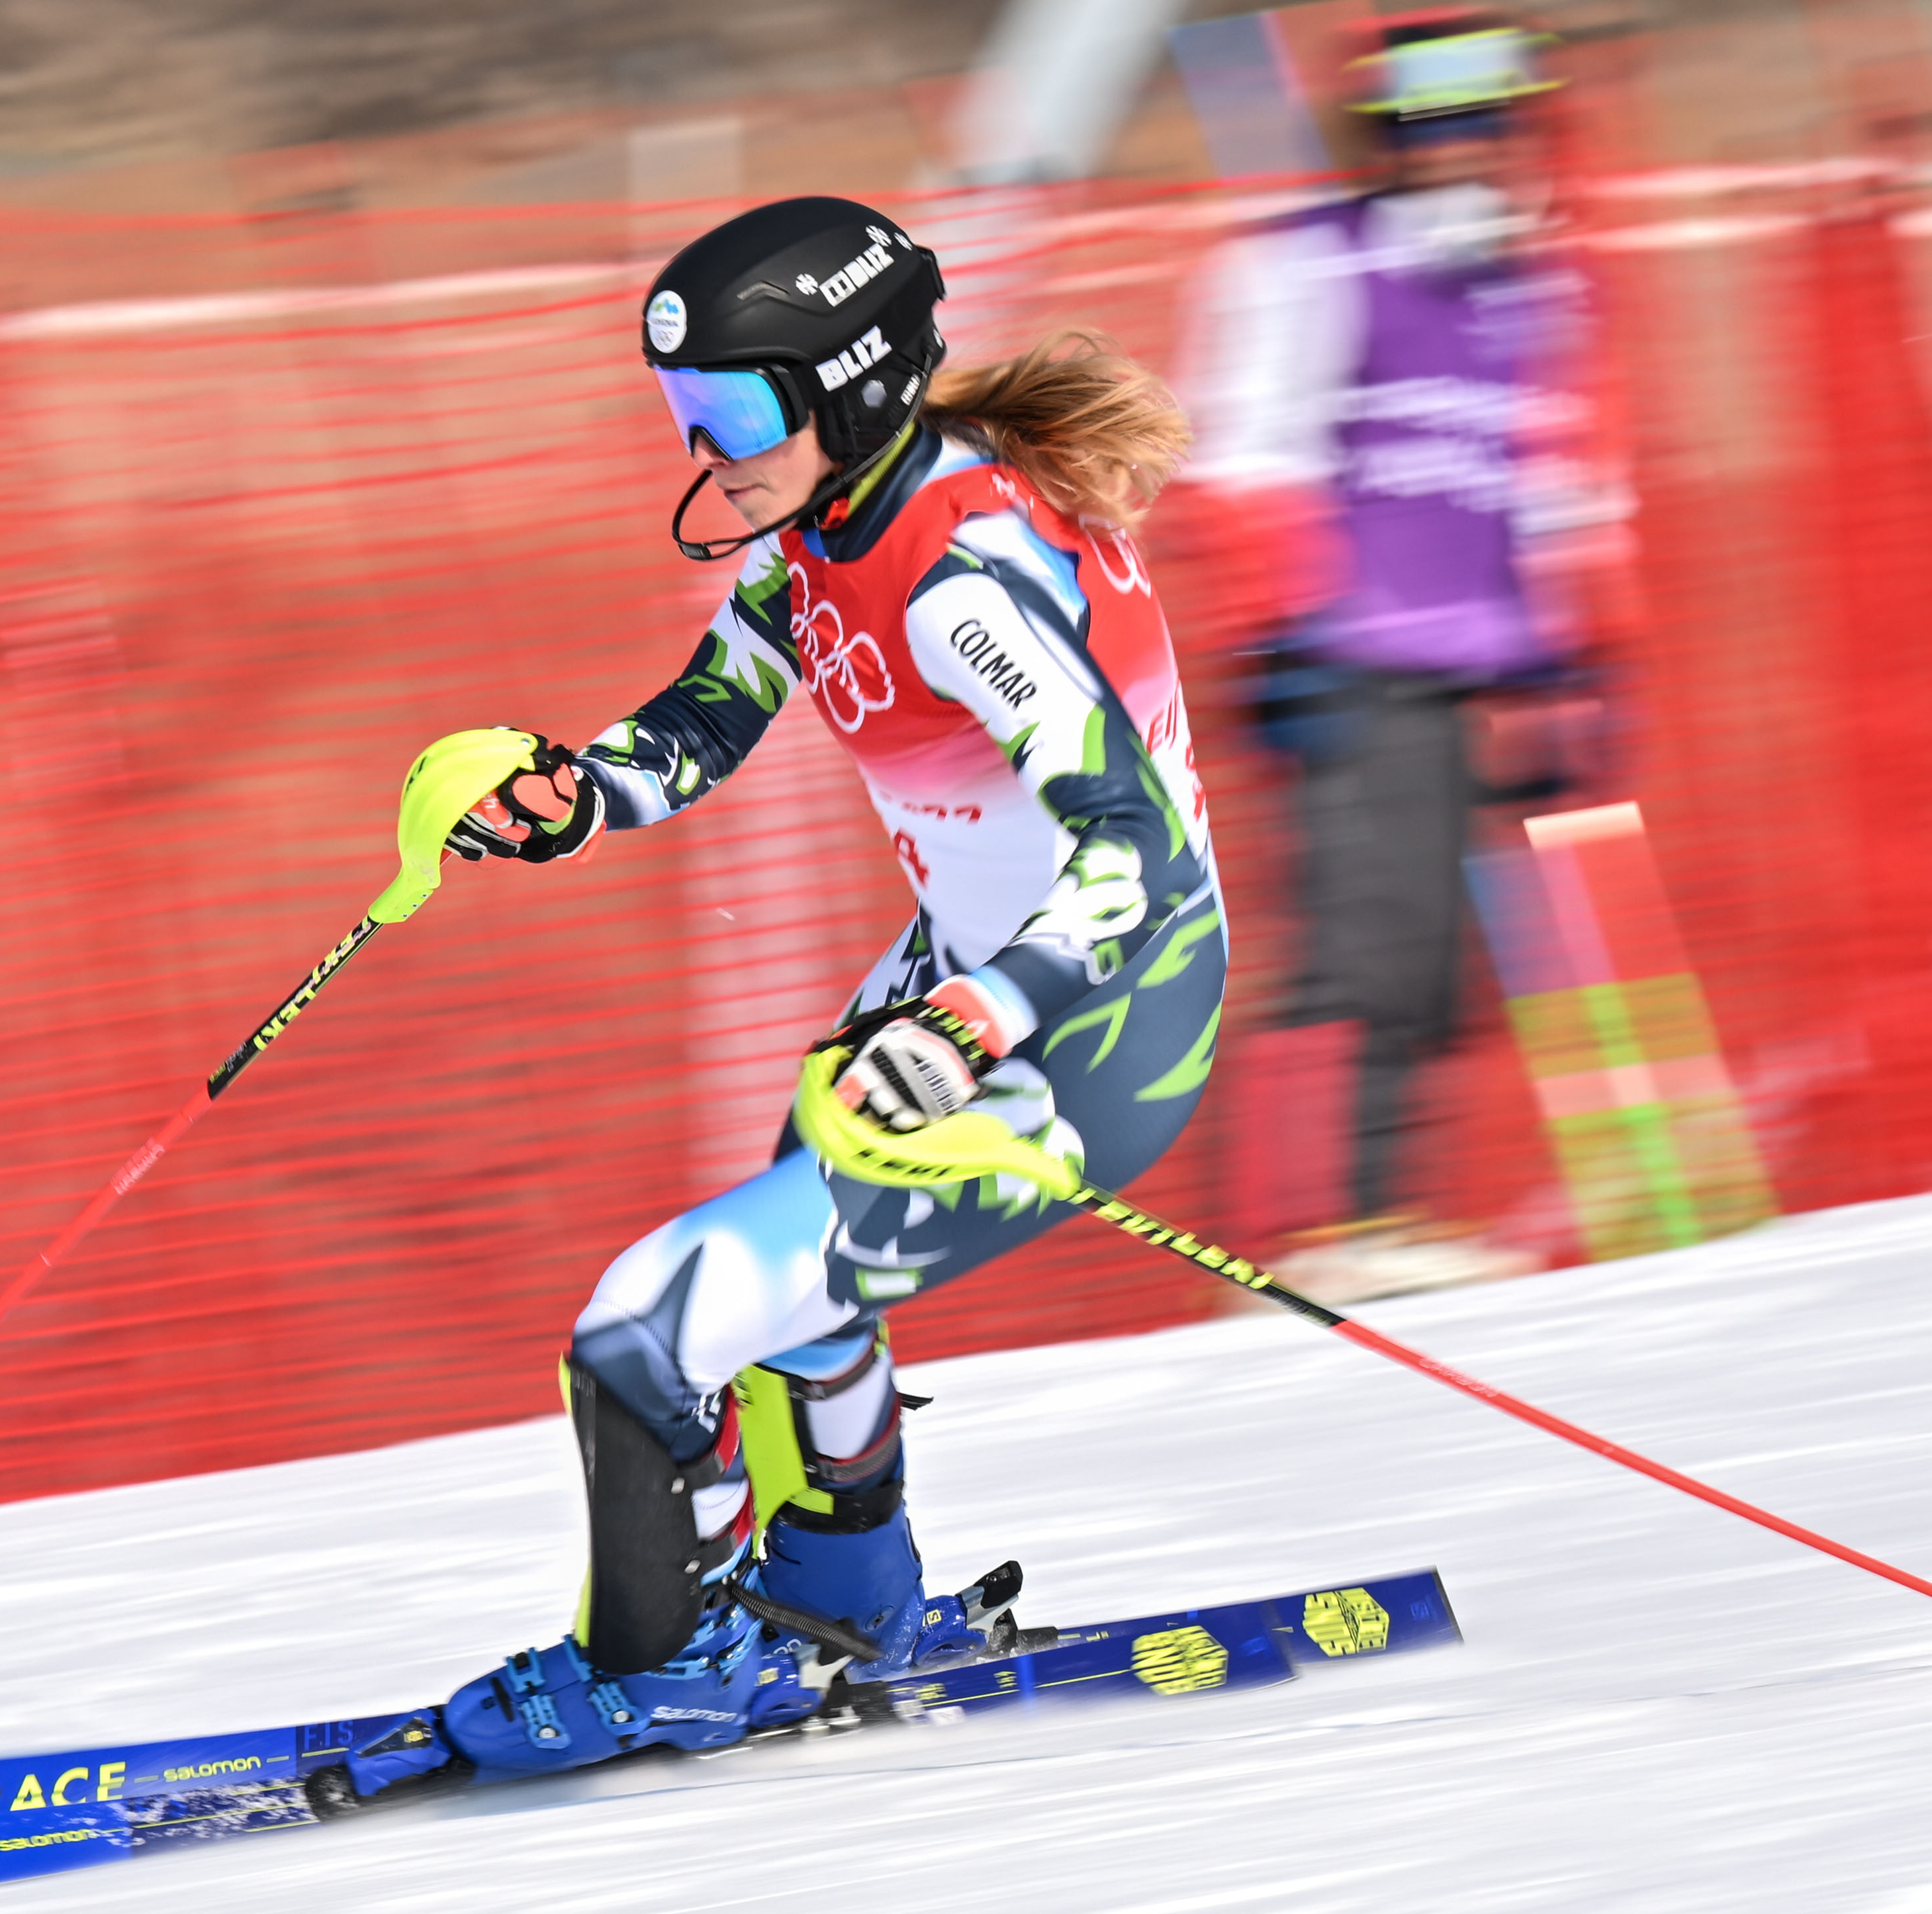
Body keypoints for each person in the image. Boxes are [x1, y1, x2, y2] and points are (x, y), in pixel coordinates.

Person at [332, 197, 1219, 1801]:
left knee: (638, 1332)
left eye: (738, 410)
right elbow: (718, 707)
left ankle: (658, 1670)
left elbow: (1133, 859)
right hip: (972, 971)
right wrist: (574, 792)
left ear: (857, 386)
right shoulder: (826, 534)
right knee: (783, 1279)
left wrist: (972, 1028)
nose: (705, 447)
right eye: (683, 413)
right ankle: (846, 1588)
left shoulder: (961, 577)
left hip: (1096, 1012)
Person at [1169, 11, 1603, 1302]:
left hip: (1473, 665)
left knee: (1432, 967)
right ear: (1391, 139)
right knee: (1359, 943)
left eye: (1486, 126)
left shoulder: (1529, 286)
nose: (1464, 152)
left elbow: (1545, 473)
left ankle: (1379, 1211)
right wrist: (1285, 631)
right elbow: (1246, 454)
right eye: (1434, 129)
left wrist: (1569, 654)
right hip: (1352, 658)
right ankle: (1308, 1229)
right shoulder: (1317, 265)